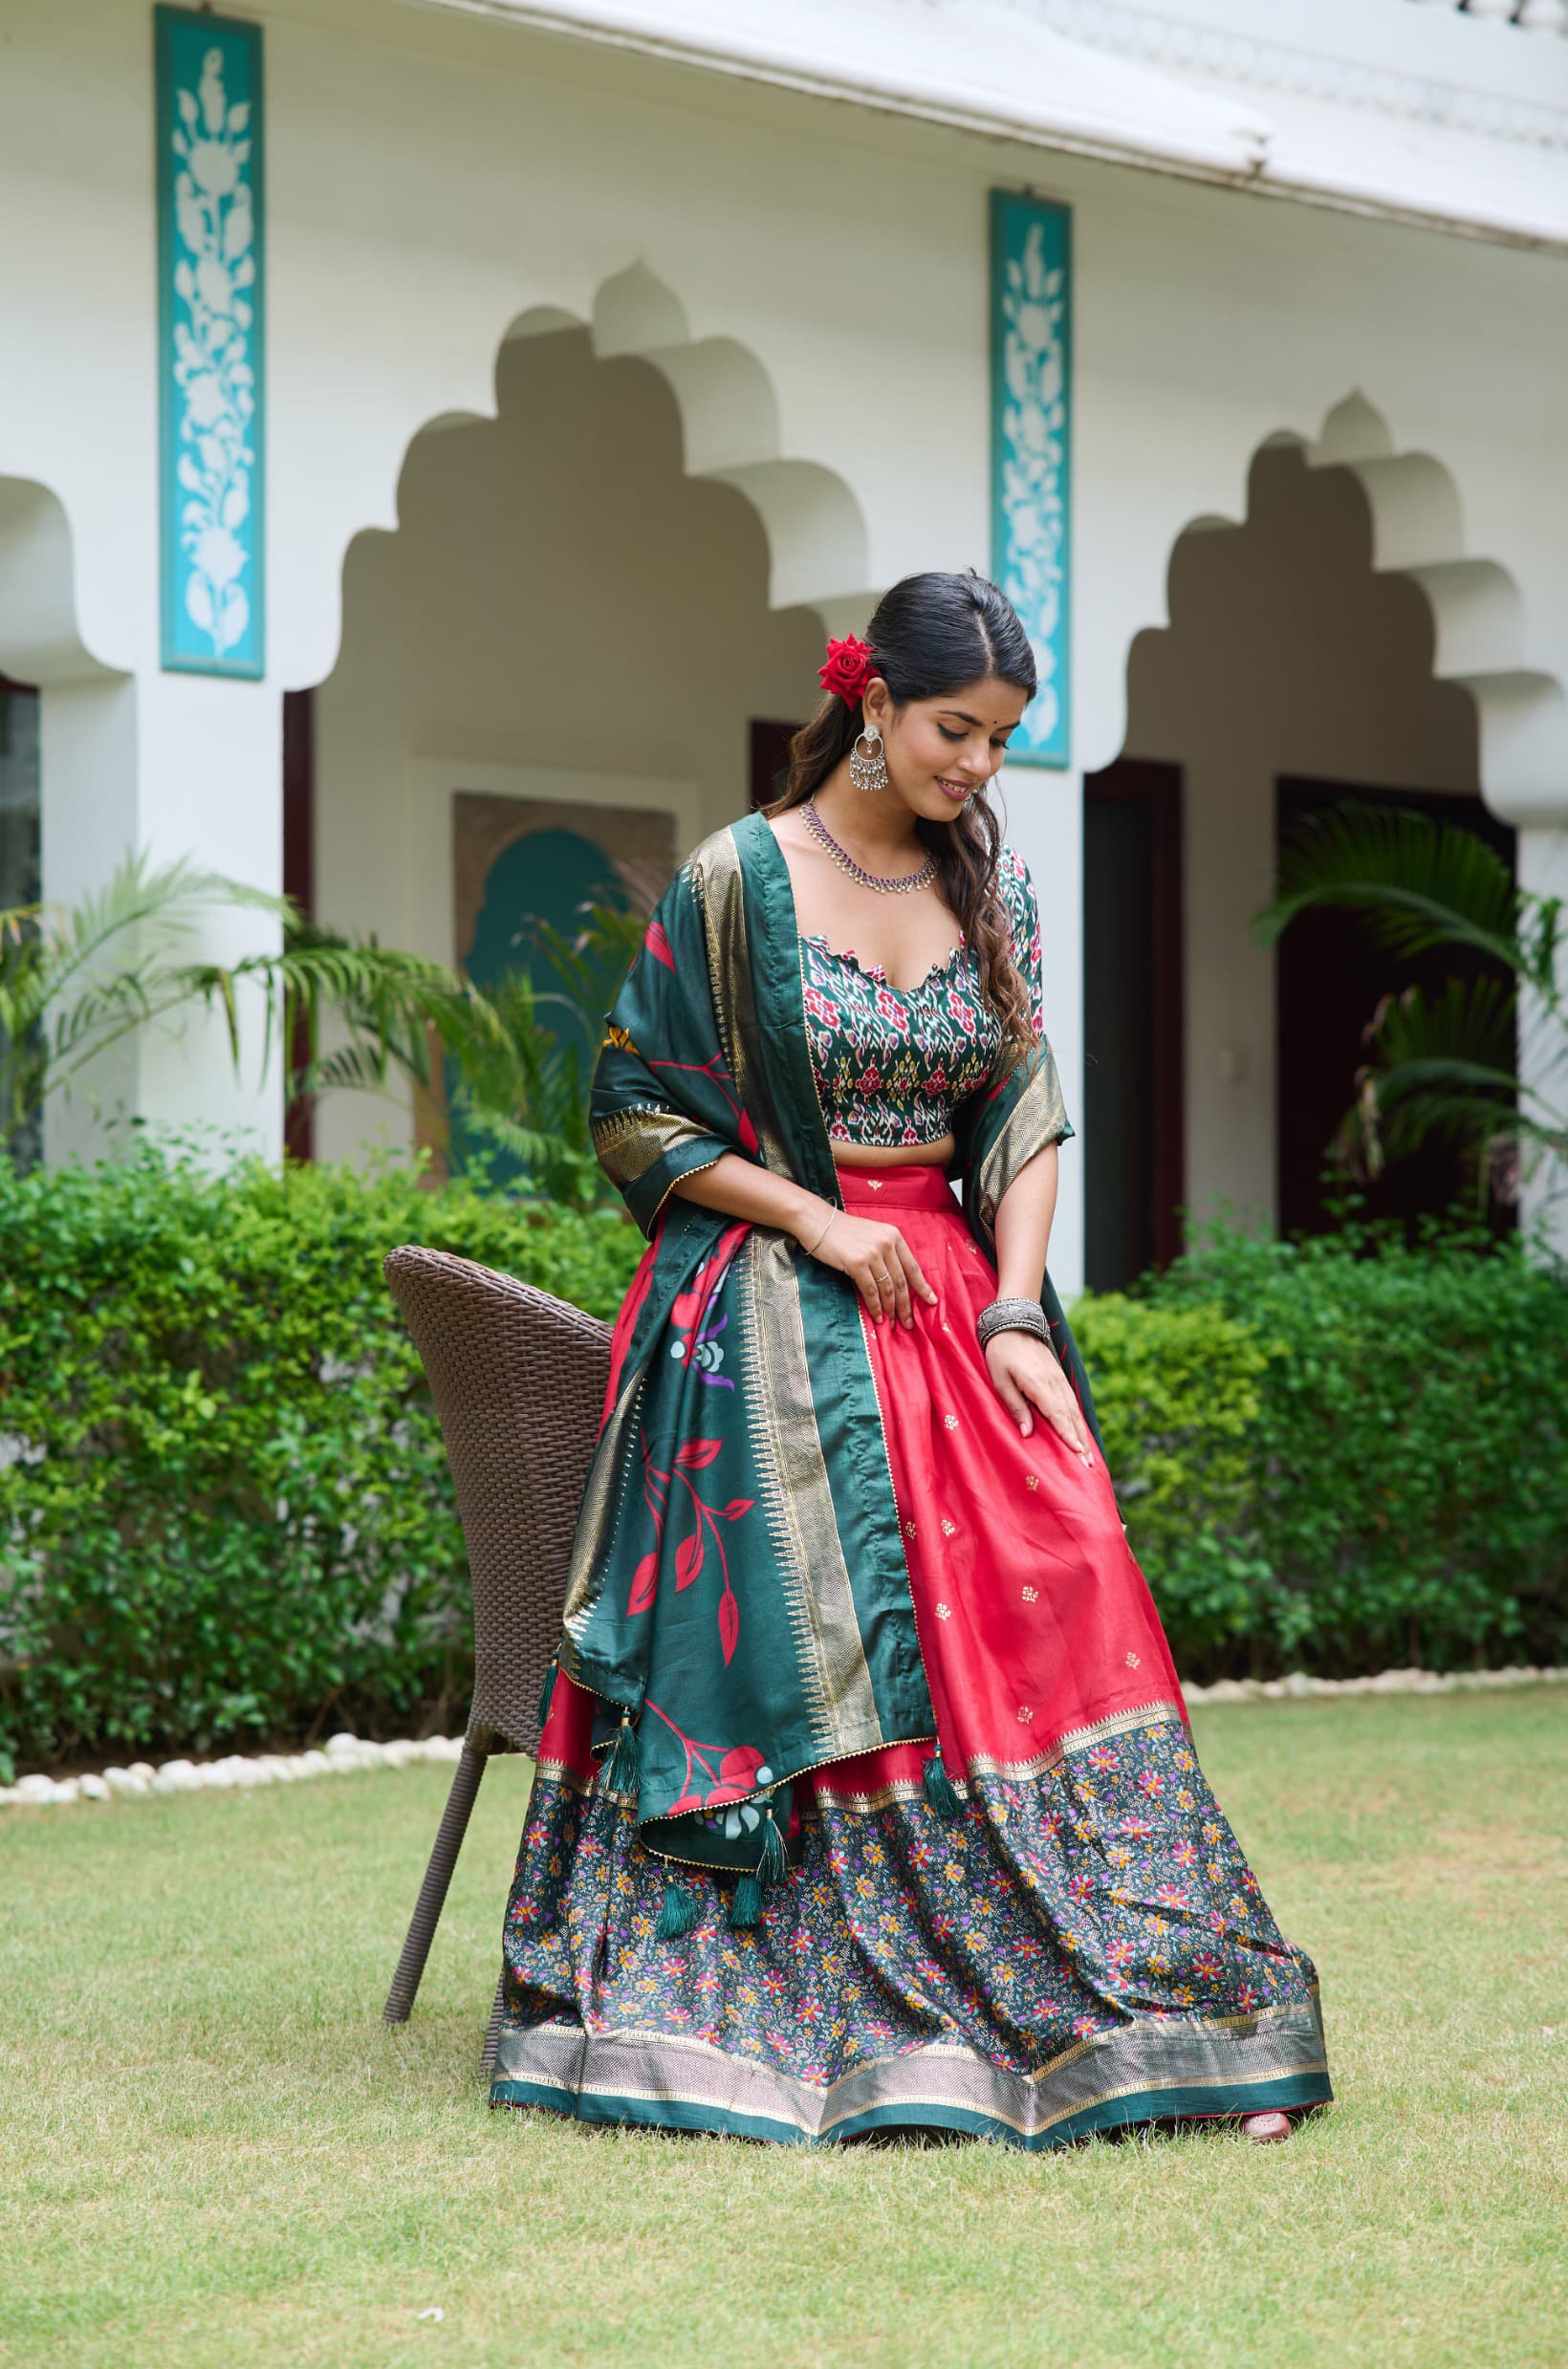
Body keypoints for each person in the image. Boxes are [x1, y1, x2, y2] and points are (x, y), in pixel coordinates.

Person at [491, 569, 1332, 2148]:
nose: (980, 767)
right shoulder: (737, 883)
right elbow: (631, 1114)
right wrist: (814, 1220)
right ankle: (810, 1990)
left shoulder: (986, 880)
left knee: (1071, 1566)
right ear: (870, 705)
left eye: (1003, 741)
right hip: (771, 1293)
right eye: (960, 731)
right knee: (842, 1610)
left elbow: (1020, 1113)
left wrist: (1017, 1311)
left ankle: (1140, 1991)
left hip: (956, 1305)